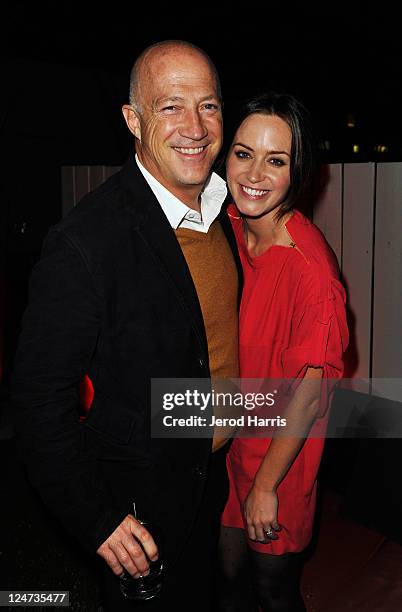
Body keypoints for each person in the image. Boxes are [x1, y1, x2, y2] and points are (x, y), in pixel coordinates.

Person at [11, 40, 241, 611]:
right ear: (133, 120)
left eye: (208, 105)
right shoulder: (85, 243)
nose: (194, 126)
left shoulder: (221, 206)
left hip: (211, 474)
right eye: (171, 106)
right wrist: (99, 520)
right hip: (141, 502)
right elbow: (39, 405)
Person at [218, 93, 349, 611]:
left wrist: (268, 485)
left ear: (300, 172)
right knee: (226, 578)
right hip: (230, 440)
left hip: (281, 458)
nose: (254, 173)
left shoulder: (311, 272)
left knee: (272, 590)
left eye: (276, 160)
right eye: (243, 153)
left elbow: (309, 398)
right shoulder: (228, 227)